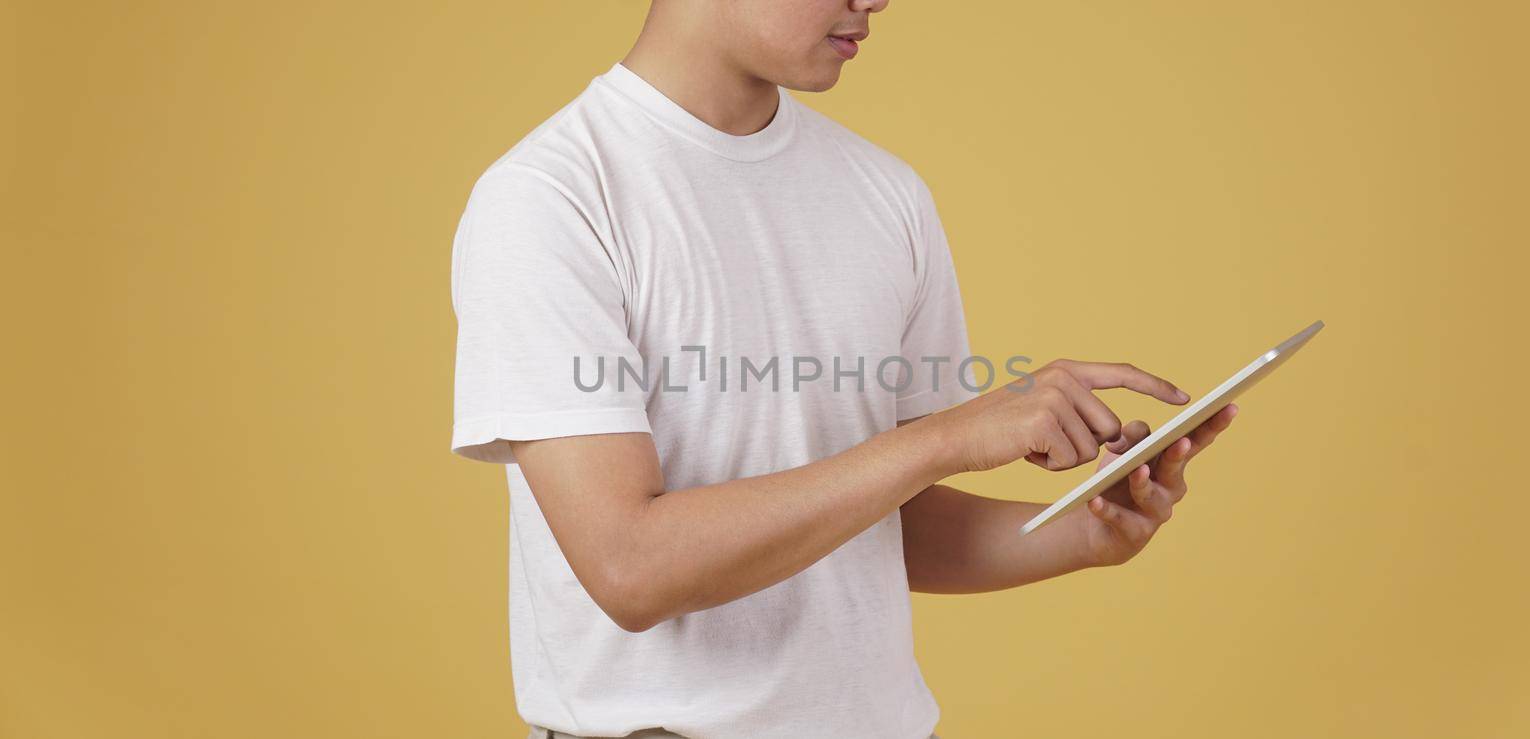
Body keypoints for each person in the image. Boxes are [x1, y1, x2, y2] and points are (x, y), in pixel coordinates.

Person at [448, 1, 1240, 737]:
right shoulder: (550, 201)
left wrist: (1083, 533)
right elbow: (630, 568)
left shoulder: (885, 193)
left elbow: (886, 525)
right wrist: (945, 439)